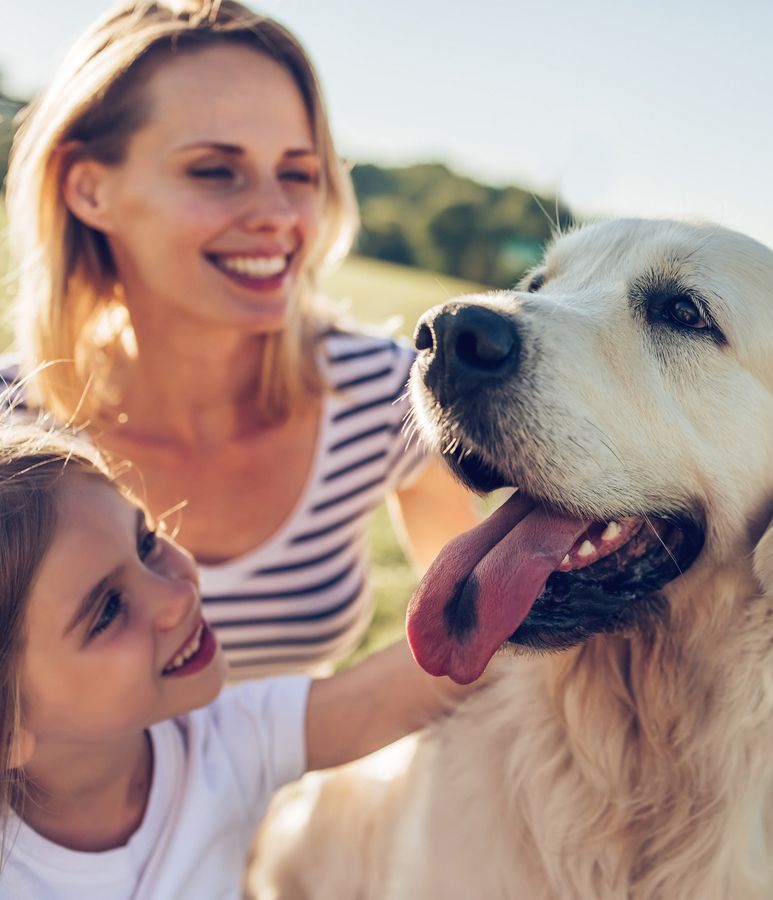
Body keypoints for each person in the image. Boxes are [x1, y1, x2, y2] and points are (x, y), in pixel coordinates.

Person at [2, 0, 481, 678]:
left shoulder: (383, 393)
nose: (279, 216)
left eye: (297, 173)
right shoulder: (9, 431)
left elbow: (478, 643)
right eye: (214, 170)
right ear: (88, 189)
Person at [0, 419, 474, 898]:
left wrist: (523, 569)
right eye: (107, 611)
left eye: (146, 542)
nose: (177, 595)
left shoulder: (221, 744)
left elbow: (396, 691)